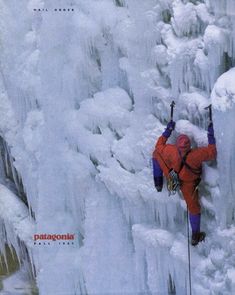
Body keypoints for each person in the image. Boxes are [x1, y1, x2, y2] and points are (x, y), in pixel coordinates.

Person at [152, 121, 217, 246]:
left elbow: (158, 146)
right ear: (189, 146)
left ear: (177, 145)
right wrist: (211, 134)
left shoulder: (171, 151)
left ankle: (158, 182)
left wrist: (168, 130)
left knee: (156, 154)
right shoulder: (195, 155)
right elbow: (212, 152)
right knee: (193, 208)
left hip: (173, 177)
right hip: (188, 185)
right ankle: (195, 235)